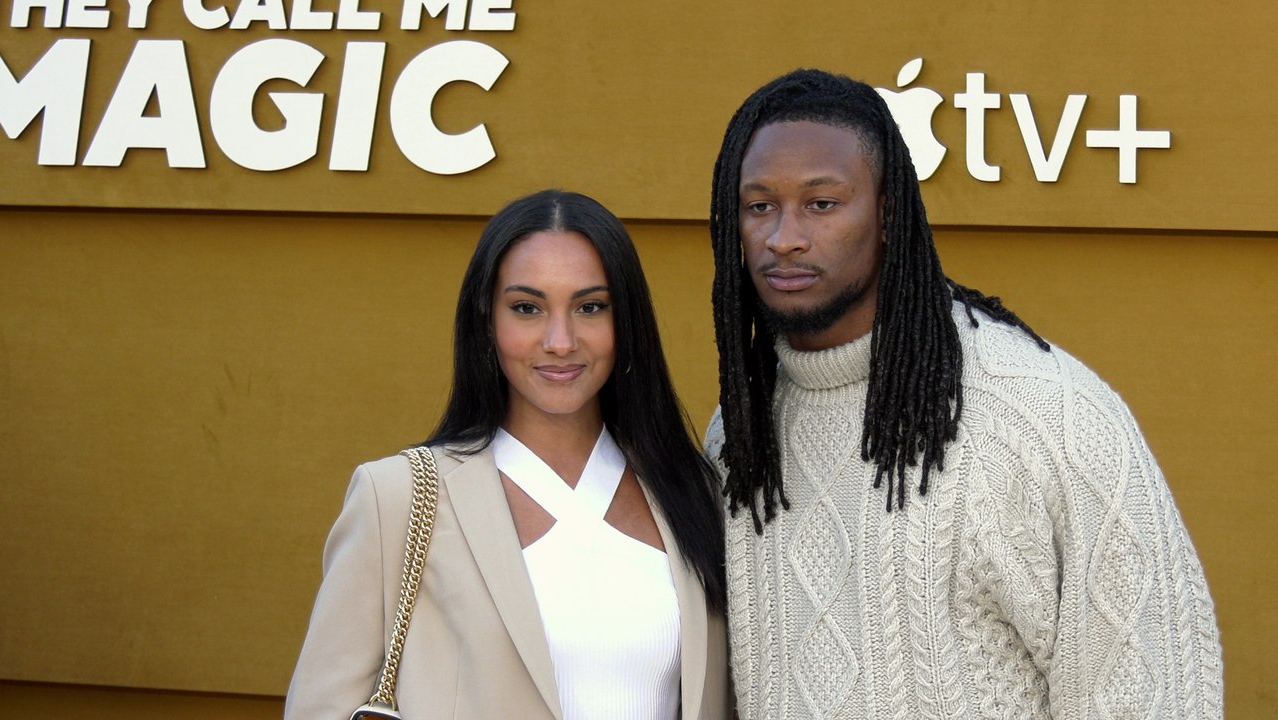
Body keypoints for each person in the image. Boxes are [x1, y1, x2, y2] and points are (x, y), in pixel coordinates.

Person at [704, 69, 1222, 719]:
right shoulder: (739, 435)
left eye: (822, 203)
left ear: (888, 214)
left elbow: (1151, 697)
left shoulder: (1049, 418)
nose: (785, 237)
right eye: (760, 206)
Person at [286, 189, 730, 720]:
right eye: (527, 308)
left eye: (590, 307)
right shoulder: (398, 497)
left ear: (626, 322)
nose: (560, 341)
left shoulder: (694, 491)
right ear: (487, 321)